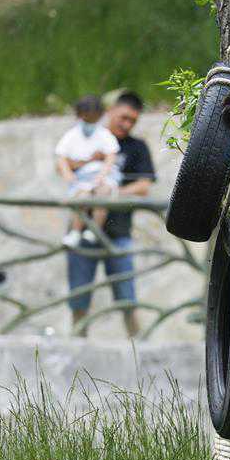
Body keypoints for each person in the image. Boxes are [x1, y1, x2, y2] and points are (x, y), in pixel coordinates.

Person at [66, 91, 156, 338]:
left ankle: (140, 355)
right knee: (78, 300)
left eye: (133, 121)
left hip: (118, 234)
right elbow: (65, 164)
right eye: (123, 117)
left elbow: (144, 186)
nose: (127, 124)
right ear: (111, 111)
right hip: (82, 231)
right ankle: (76, 351)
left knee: (128, 300)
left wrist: (112, 192)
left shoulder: (137, 148)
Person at [55, 95, 121, 247]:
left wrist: (102, 175)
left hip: (102, 177)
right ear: (79, 116)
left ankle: (95, 229)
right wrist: (67, 174)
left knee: (102, 195)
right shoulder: (71, 135)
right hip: (82, 178)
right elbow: (61, 156)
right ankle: (76, 232)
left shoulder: (104, 135)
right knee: (82, 198)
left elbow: (110, 157)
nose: (89, 123)